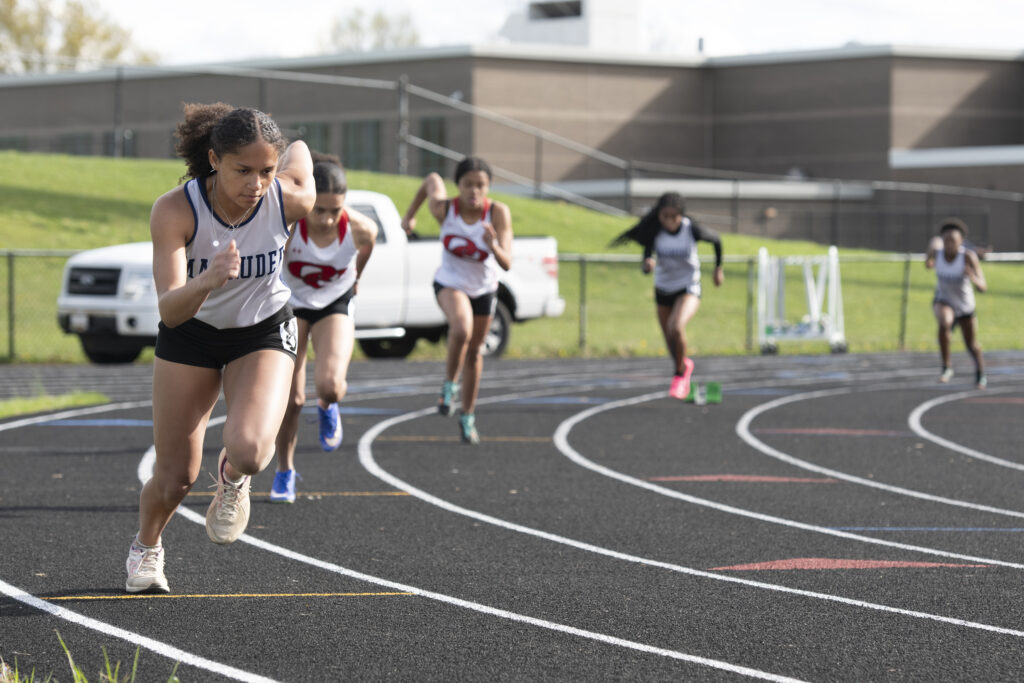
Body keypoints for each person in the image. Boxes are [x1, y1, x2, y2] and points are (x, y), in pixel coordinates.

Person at [125, 103, 315, 593]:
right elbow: (169, 309)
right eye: (243, 171)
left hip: (262, 329)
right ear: (214, 160)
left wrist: (295, 155)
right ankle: (147, 549)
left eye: (267, 171)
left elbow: (302, 163)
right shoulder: (175, 209)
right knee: (175, 478)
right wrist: (207, 280)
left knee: (251, 450)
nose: (256, 184)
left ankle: (232, 476)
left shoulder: (288, 199)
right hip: (191, 331)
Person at [270, 153, 378, 503]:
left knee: (330, 386)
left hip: (335, 302)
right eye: (321, 210)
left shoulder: (361, 229)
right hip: (293, 304)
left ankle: (329, 407)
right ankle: (284, 472)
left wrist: (356, 277)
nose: (330, 219)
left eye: (337, 210)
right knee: (292, 399)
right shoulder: (290, 228)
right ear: (309, 200)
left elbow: (368, 245)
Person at [400, 157, 512, 444]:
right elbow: (430, 179)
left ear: (488, 187)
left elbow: (507, 262)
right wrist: (410, 215)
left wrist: (494, 245)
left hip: (484, 289)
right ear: (458, 186)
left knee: (475, 352)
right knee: (461, 328)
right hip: (449, 283)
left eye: (481, 186)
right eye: (468, 185)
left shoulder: (498, 213)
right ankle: (449, 386)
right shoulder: (445, 208)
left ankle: (468, 415)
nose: (474, 191)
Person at [611, 192, 723, 400]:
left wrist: (718, 268)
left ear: (681, 215)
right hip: (663, 289)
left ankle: (680, 374)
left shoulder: (692, 229)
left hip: (688, 287)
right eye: (665, 217)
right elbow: (646, 261)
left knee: (676, 326)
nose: (669, 222)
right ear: (658, 215)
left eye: (674, 217)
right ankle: (683, 365)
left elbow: (717, 240)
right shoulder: (654, 232)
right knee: (670, 339)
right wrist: (648, 265)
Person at [924, 217, 987, 389]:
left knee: (971, 345)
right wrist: (930, 253)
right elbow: (928, 261)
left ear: (961, 242)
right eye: (946, 240)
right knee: (945, 322)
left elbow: (983, 287)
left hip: (965, 306)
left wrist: (973, 277)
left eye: (953, 240)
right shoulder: (938, 253)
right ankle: (947, 367)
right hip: (944, 300)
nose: (949, 243)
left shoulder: (967, 257)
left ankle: (980, 374)